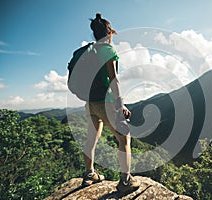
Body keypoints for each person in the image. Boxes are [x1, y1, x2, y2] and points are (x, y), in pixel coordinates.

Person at [81, 13, 140, 193]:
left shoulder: (90, 50)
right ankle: (125, 181)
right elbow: (113, 79)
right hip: (105, 103)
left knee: (92, 138)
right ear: (109, 33)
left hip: (90, 103)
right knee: (124, 139)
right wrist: (120, 104)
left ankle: (89, 174)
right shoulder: (107, 50)